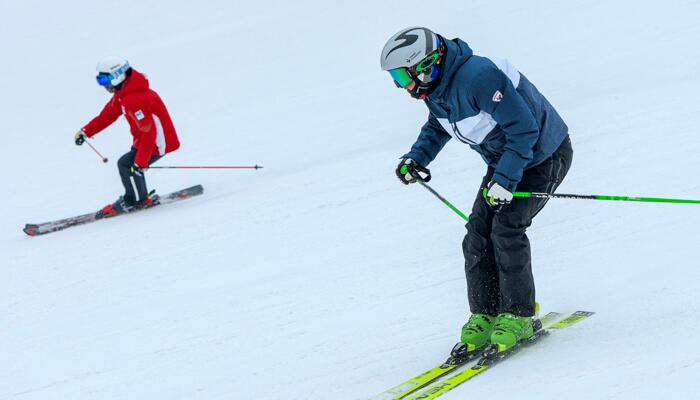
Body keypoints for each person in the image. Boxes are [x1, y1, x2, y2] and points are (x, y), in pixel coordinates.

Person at [380, 27, 573, 352]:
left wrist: (506, 181)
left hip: (543, 156)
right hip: (506, 162)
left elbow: (525, 130)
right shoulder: (436, 89)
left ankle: (519, 315)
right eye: (396, 79)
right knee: (476, 236)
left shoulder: (479, 77)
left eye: (402, 76)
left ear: (425, 65)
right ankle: (487, 312)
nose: (402, 86)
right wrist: (417, 157)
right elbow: (437, 126)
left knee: (507, 229)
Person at [74, 57, 180, 218]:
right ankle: (140, 197)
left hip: (158, 143)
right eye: (99, 80)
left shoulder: (135, 98)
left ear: (117, 75)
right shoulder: (123, 93)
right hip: (144, 140)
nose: (103, 85)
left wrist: (141, 162)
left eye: (104, 79)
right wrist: (86, 131)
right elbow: (108, 115)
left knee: (127, 164)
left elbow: (149, 132)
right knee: (131, 165)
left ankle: (136, 201)